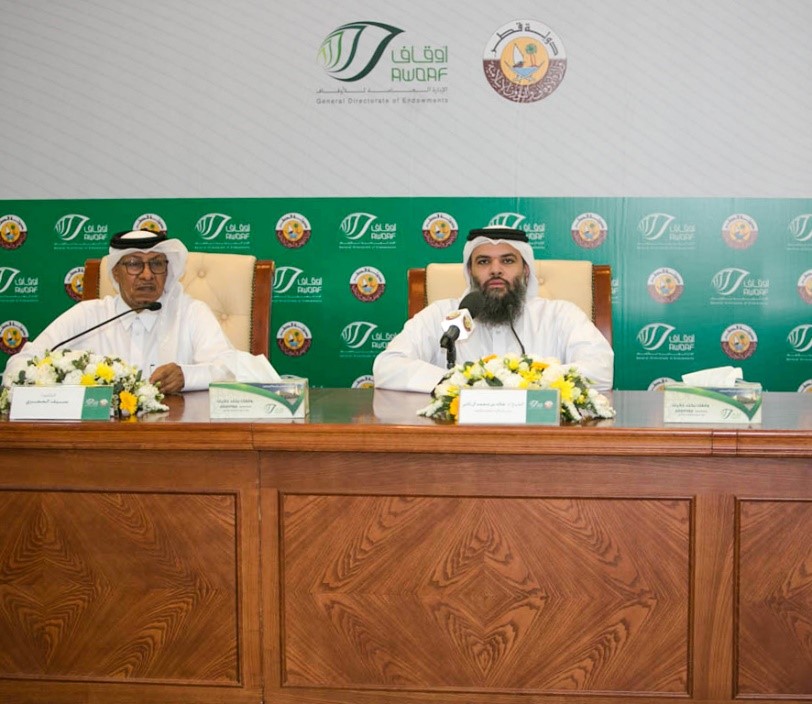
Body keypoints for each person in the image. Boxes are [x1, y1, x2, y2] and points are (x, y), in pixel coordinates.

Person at [373, 226, 614, 392]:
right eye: (484, 261)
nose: (495, 270)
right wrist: (461, 383)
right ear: (470, 272)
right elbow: (388, 366)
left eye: (507, 261)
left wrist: (524, 385)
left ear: (526, 270)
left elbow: (600, 369)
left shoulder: (560, 315)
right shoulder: (440, 315)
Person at [2, 229, 238, 394]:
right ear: (116, 272)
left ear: (167, 271)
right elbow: (19, 366)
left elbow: (230, 371)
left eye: (156, 264)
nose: (147, 274)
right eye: (135, 264)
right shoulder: (88, 316)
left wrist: (187, 377)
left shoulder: (190, 313)